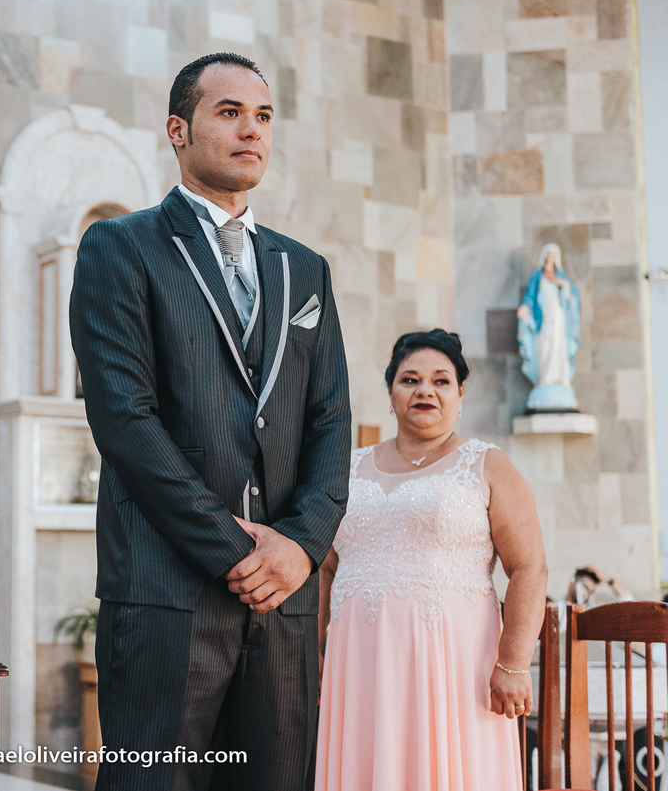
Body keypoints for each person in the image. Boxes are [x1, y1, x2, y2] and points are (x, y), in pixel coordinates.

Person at [69, 52, 351, 790]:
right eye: (229, 112)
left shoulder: (305, 270)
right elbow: (126, 422)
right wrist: (236, 551)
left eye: (262, 116)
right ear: (178, 130)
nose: (250, 130)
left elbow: (330, 421)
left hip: (285, 600)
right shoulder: (120, 247)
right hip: (168, 595)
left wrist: (298, 546)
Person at [315, 329, 548, 791]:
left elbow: (529, 567)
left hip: (455, 667)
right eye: (410, 380)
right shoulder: (346, 466)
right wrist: (313, 657)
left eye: (441, 381)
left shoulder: (487, 464)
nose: (425, 390)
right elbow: (324, 567)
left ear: (461, 393)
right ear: (390, 393)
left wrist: (514, 663)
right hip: (358, 663)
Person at [517, 242, 581, 411]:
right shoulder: (538, 276)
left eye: (554, 255)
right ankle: (545, 377)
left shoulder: (561, 276)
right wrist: (525, 307)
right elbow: (530, 295)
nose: (551, 258)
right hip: (543, 319)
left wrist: (564, 286)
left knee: (559, 347)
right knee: (545, 346)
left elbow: (571, 297)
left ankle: (559, 378)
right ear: (545, 256)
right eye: (549, 254)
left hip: (559, 319)